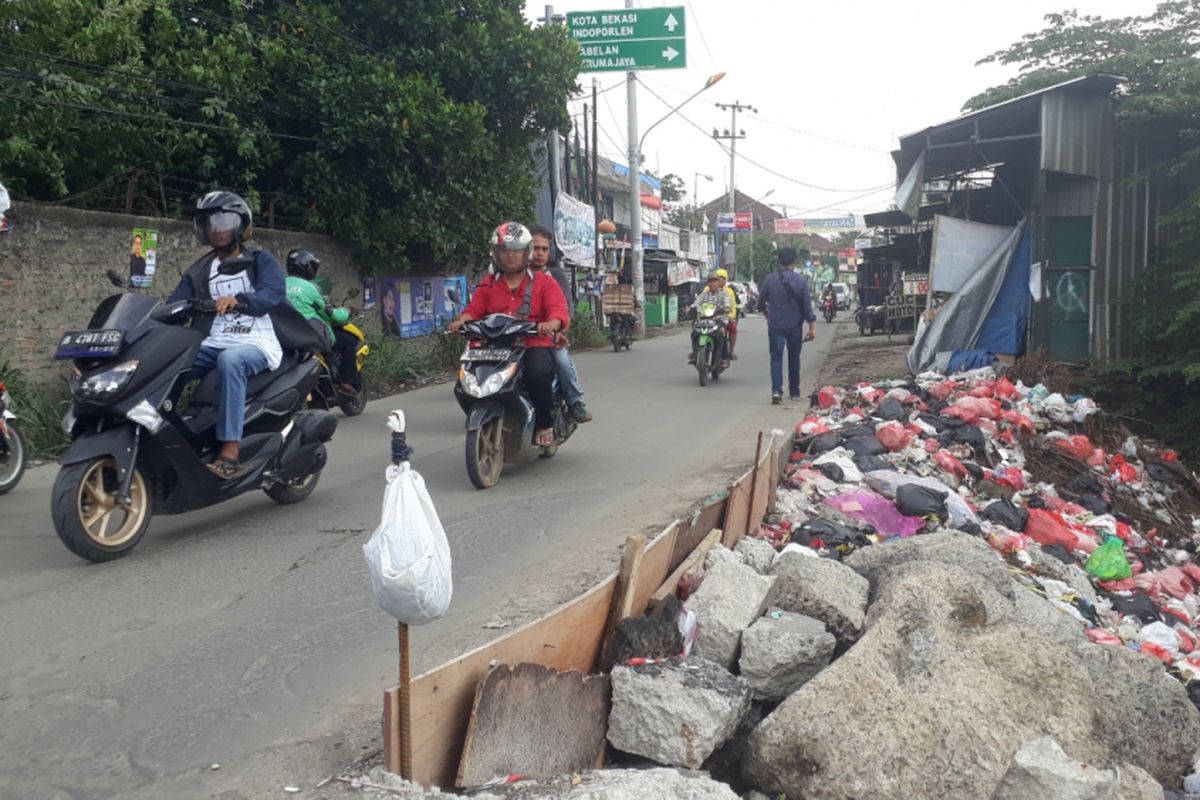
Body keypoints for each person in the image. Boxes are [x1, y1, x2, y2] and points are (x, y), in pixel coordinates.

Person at [168, 191, 286, 478]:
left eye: (224, 220)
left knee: (231, 361)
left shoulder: (259, 260)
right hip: (213, 342)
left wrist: (241, 300)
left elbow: (273, 293)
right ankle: (170, 434)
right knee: (170, 362)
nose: (216, 228)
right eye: (210, 222)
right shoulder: (200, 270)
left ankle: (230, 449)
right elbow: (174, 306)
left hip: (255, 341)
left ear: (240, 225)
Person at [448, 222, 569, 447]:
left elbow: (558, 311)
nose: (510, 256)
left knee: (537, 372)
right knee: (466, 378)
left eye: (516, 250)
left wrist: (551, 323)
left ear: (526, 253)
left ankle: (544, 423)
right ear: (496, 254)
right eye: (504, 250)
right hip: (495, 345)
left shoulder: (545, 283)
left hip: (533, 343)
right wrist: (461, 322)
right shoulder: (488, 285)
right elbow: (474, 310)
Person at [527, 225, 592, 423]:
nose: (539, 253)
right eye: (534, 248)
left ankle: (575, 402)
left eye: (544, 249)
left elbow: (565, 310)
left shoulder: (555, 277)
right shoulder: (515, 276)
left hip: (548, 337)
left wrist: (556, 330)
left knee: (562, 361)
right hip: (517, 337)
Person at [284, 249, 360, 395]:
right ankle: (346, 383)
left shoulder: (278, 284)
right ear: (305, 267)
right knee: (350, 341)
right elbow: (332, 315)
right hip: (310, 336)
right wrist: (348, 311)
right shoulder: (310, 288)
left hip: (283, 336)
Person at [758, 247, 816, 405]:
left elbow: (760, 302)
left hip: (775, 325)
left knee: (776, 358)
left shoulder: (770, 279)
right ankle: (795, 391)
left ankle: (776, 392)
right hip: (795, 326)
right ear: (794, 262)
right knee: (794, 358)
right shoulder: (801, 281)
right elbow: (807, 307)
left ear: (779, 261)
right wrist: (811, 327)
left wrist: (766, 313)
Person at [687, 274, 732, 368]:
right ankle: (695, 354)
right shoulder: (704, 294)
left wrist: (726, 308)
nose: (712, 284)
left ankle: (724, 358)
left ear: (718, 282)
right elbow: (697, 302)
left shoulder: (723, 294)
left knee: (721, 334)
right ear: (707, 283)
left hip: (719, 320)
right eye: (710, 281)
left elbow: (727, 303)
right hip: (704, 319)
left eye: (714, 281)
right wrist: (690, 308)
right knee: (694, 333)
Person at [713, 268, 739, 358]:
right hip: (710, 318)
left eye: (723, 278)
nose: (721, 279)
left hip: (725, 318)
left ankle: (731, 351)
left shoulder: (729, 292)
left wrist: (731, 316)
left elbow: (733, 306)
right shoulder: (708, 288)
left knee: (733, 329)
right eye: (718, 277)